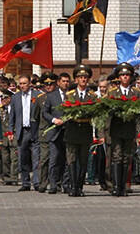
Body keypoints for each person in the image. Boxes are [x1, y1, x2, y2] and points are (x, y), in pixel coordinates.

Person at [105, 62, 140, 197]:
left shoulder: (136, 93)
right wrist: (106, 132)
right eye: (122, 75)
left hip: (129, 129)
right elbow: (107, 114)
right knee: (116, 157)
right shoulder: (112, 92)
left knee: (127, 158)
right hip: (116, 129)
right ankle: (116, 186)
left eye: (127, 75)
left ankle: (123, 186)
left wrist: (138, 132)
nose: (125, 77)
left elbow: (139, 114)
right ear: (119, 77)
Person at [63, 65, 96, 197]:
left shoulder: (92, 96)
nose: (83, 80)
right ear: (76, 80)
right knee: (71, 160)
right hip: (72, 130)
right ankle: (73, 186)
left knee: (83, 160)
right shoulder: (69, 95)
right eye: (80, 77)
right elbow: (65, 111)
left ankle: (80, 187)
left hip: (85, 130)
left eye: (85, 77)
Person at [10, 74, 40, 191]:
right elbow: (12, 115)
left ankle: (37, 182)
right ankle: (25, 182)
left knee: (36, 158)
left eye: (24, 83)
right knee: (23, 158)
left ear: (30, 84)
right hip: (22, 131)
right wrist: (11, 130)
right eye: (20, 84)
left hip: (34, 130)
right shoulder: (15, 97)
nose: (22, 86)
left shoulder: (37, 95)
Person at [39, 72, 68, 194]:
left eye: (67, 81)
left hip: (68, 132)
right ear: (58, 82)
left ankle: (66, 184)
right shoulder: (51, 96)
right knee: (54, 159)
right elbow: (45, 113)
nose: (65, 83)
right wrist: (54, 120)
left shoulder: (71, 95)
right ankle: (53, 184)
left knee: (67, 160)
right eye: (63, 81)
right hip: (55, 131)